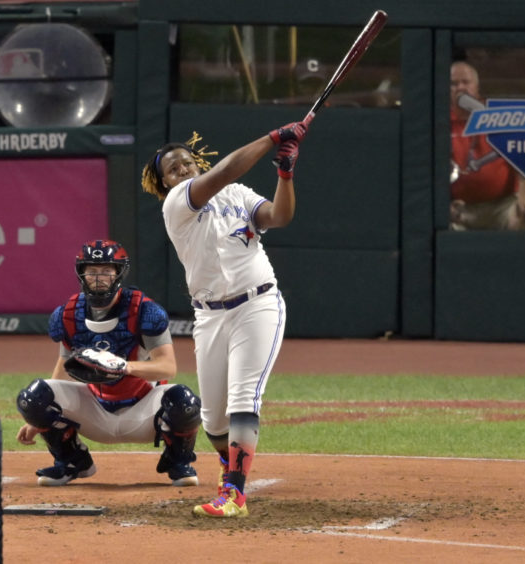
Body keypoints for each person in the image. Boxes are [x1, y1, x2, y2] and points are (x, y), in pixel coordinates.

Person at [140, 121, 307, 518]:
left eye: (186, 163)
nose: (182, 170)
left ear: (197, 164)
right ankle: (229, 467)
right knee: (213, 421)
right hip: (210, 316)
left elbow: (279, 216)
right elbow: (227, 169)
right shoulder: (177, 203)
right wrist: (272, 138)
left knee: (244, 398)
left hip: (258, 304)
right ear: (165, 184)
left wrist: (286, 174)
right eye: (173, 169)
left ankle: (234, 493)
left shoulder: (236, 195)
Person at [16, 239, 202, 487]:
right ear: (81, 273)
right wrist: (38, 419)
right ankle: (72, 462)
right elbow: (64, 367)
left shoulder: (144, 311)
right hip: (95, 410)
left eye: (106, 270)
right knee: (34, 396)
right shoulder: (68, 314)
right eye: (92, 271)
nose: (98, 277)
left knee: (184, 401)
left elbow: (168, 367)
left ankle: (178, 461)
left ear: (118, 273)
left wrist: (125, 366)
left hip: (142, 410)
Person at [449, 60, 525, 230]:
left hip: (504, 205)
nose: (460, 88)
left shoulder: (496, 116)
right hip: (461, 209)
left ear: (476, 87)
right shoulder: (440, 121)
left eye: (466, 82)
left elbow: (523, 152)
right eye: (454, 83)